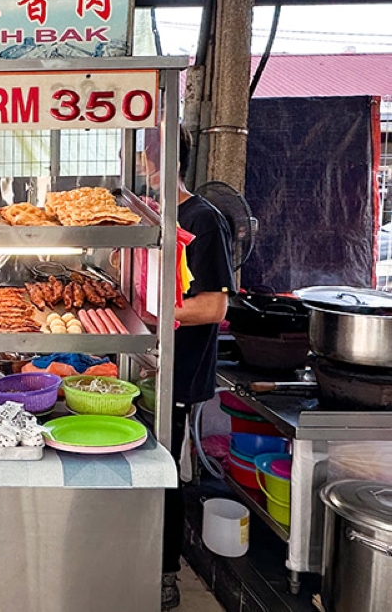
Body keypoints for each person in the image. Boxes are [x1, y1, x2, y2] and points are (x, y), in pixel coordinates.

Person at [161, 129, 236, 609]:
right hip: (148, 364)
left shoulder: (203, 220)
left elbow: (211, 307)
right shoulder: (157, 214)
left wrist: (150, 310)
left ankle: (166, 573)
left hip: (179, 370)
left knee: (166, 473)